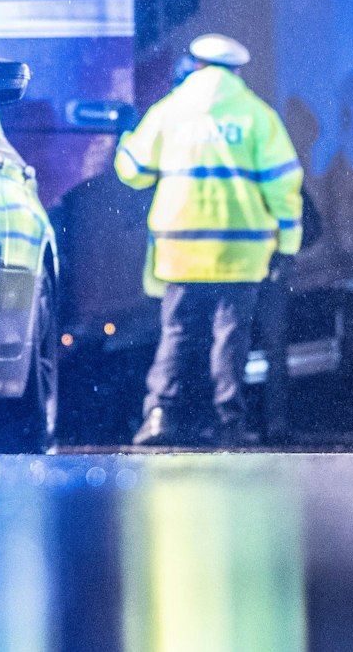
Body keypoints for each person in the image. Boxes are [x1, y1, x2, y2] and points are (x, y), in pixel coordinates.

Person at [116, 34, 303, 448]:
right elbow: (283, 185)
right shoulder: (257, 116)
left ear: (196, 65)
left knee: (177, 333)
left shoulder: (169, 112)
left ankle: (159, 415)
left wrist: (125, 136)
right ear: (236, 70)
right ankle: (229, 422)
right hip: (241, 252)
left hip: (181, 250)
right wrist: (288, 244)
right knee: (230, 337)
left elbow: (132, 172)